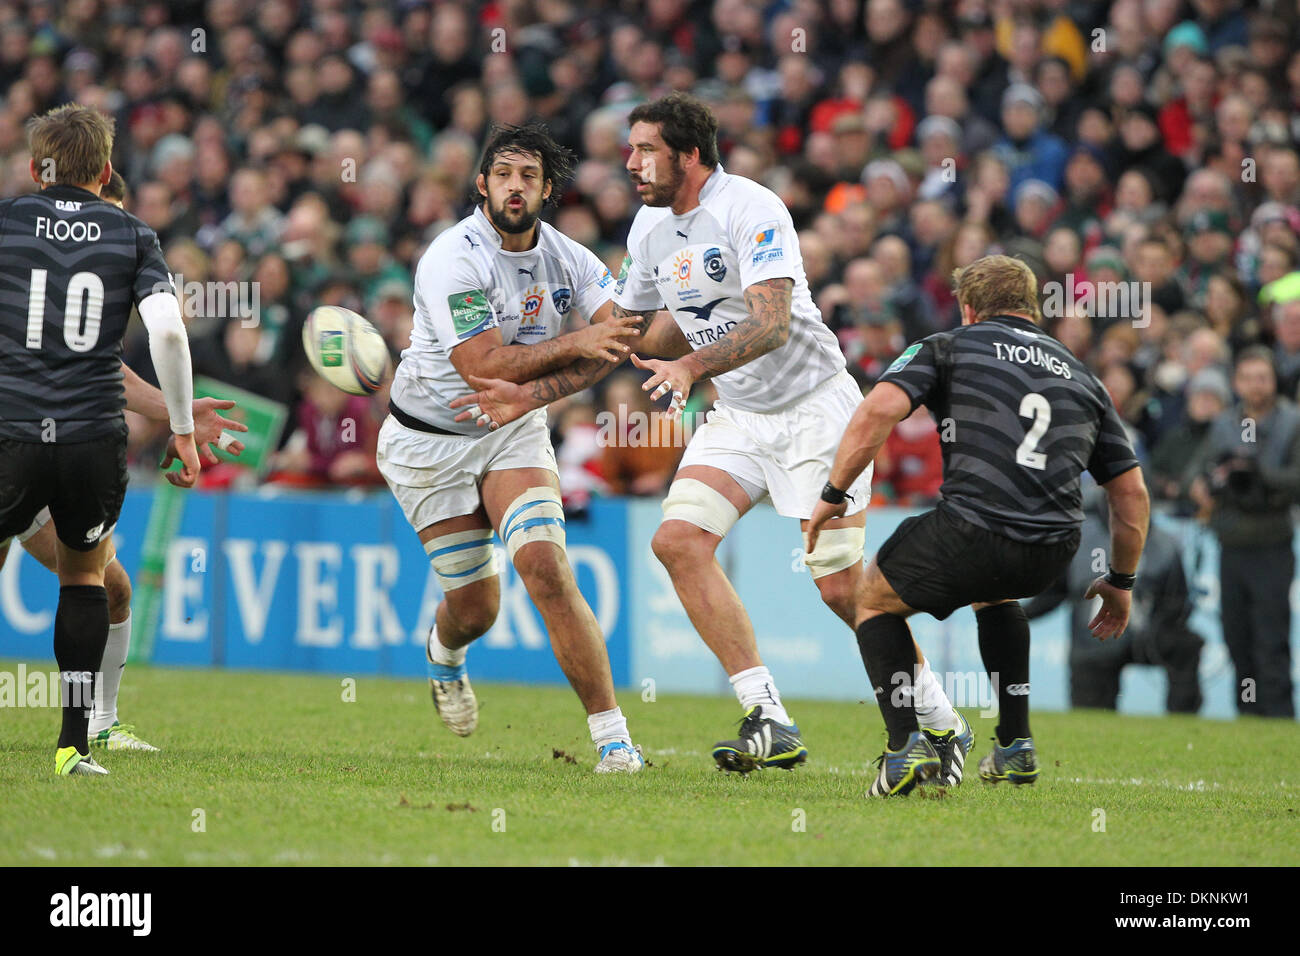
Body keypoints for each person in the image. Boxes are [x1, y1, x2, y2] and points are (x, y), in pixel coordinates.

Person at [453, 93, 967, 778]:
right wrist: (534, 393)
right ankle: (768, 716)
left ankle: (942, 722)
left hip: (816, 412)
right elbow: (632, 334)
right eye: (630, 149)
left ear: (689, 156)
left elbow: (773, 320)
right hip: (742, 417)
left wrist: (692, 364)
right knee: (677, 541)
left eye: (645, 150)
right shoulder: (648, 231)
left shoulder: (751, 208)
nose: (631, 163)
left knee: (844, 590)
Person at [808, 254, 1149, 796]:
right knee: (996, 595)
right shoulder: (1083, 377)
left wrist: (833, 492)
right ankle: (1015, 745)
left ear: (968, 308)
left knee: (869, 598)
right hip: (1054, 547)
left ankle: (903, 749)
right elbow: (1129, 493)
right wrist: (1122, 582)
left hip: (974, 527)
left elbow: (877, 411)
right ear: (1032, 308)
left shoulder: (949, 345)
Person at [374, 123, 648, 772]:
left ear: (547, 189)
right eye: (503, 174)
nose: (515, 186)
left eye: (529, 176)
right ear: (482, 185)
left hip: (510, 431)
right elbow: (483, 366)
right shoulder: (452, 258)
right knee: (476, 608)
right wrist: (576, 344)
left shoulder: (571, 259)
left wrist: (537, 393)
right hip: (427, 443)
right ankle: (444, 656)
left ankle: (613, 742)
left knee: (547, 569)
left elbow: (619, 339)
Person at [2, 172, 248, 753]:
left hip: (54, 448)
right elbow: (164, 335)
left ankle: (98, 724)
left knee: (111, 588)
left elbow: (108, 371)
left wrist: (174, 413)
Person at [1024, 485, 1203, 714]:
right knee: (1091, 718)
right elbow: (1054, 592)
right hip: (1094, 640)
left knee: (1186, 645)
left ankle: (1183, 724)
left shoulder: (1164, 544)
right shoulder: (1078, 539)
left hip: (1148, 635)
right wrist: (1022, 615)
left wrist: (1161, 623)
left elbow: (1178, 601)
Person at [1190, 347, 1300, 718]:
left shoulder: (1292, 421)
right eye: (1248, 378)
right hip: (1231, 543)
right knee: (1236, 636)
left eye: (1262, 377)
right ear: (1236, 382)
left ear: (1273, 380)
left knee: (1271, 636)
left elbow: (1296, 480)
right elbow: (1197, 472)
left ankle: (1279, 714)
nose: (1255, 386)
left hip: (1272, 543)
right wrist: (1206, 484)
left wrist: (1257, 474)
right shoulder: (1223, 424)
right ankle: (1248, 712)